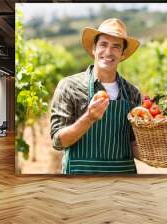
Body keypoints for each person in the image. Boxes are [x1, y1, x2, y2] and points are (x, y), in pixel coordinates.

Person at [50, 18, 142, 174]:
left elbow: (133, 143)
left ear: (122, 54)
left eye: (116, 46)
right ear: (94, 48)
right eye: (103, 44)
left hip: (122, 178)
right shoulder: (69, 87)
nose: (108, 52)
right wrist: (89, 118)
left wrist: (157, 155)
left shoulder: (132, 93)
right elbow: (58, 141)